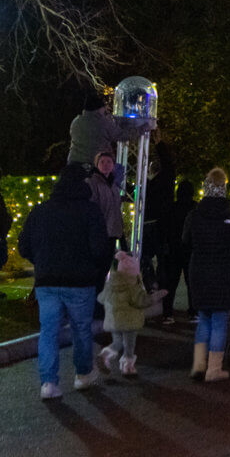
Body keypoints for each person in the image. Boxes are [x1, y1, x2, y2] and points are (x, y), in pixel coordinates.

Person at [17, 164, 110, 400]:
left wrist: (41, 261)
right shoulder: (90, 211)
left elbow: (24, 246)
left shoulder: (40, 211)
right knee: (81, 329)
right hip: (80, 281)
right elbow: (100, 248)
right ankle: (83, 374)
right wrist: (94, 267)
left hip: (47, 281)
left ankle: (48, 382)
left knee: (48, 332)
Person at [183, 167, 230, 382]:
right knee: (219, 319)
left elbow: (185, 241)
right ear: (224, 187)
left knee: (204, 319)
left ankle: (198, 365)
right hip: (223, 272)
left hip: (199, 271)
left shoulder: (194, 215)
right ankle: (214, 369)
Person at [97, 250, 166, 377]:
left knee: (117, 342)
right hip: (130, 322)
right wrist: (157, 295)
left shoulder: (110, 284)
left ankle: (105, 354)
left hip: (113, 321)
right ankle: (127, 366)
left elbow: (100, 298)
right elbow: (142, 301)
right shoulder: (132, 286)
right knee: (129, 345)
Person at [66, 90, 149, 168]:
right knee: (119, 171)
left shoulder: (76, 121)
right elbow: (122, 135)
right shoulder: (103, 122)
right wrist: (143, 128)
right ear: (99, 108)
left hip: (74, 163)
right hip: (95, 164)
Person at [140, 138, 176, 291]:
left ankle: (151, 283)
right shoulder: (165, 181)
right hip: (163, 224)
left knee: (145, 257)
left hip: (149, 224)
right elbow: (168, 164)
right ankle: (161, 287)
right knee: (162, 259)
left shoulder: (147, 186)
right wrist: (159, 143)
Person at [161, 178, 197, 325]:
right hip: (190, 249)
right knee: (191, 281)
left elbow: (165, 228)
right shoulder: (195, 208)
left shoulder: (172, 208)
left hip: (174, 249)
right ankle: (193, 312)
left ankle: (167, 313)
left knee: (171, 282)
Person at [85, 150, 125, 248]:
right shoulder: (92, 182)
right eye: (102, 162)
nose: (105, 164)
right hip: (98, 232)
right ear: (97, 164)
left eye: (108, 162)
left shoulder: (114, 185)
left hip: (112, 231)